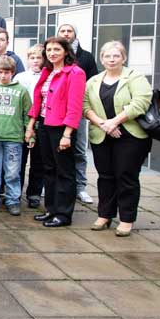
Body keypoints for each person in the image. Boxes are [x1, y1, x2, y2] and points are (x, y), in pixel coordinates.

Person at [84, 41, 152, 237]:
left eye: (116, 56)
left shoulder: (135, 77)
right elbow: (85, 105)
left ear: (124, 58)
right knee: (105, 177)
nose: (112, 59)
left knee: (126, 176)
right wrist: (103, 124)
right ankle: (105, 215)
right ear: (101, 58)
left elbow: (141, 102)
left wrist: (114, 122)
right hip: (102, 134)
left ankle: (126, 219)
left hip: (130, 136)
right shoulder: (94, 81)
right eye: (107, 56)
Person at [25, 37, 87, 228]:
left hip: (62, 128)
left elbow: (75, 106)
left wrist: (67, 134)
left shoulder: (75, 73)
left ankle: (64, 214)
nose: (52, 53)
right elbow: (39, 101)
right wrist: (31, 125)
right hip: (44, 124)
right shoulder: (47, 71)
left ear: (66, 51)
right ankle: (51, 209)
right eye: (49, 50)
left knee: (64, 172)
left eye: (56, 49)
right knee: (48, 169)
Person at [0, 56, 32, 217]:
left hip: (14, 138)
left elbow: (27, 114)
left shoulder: (21, 91)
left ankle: (12, 200)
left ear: (13, 72)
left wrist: (30, 134)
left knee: (12, 171)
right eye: (0, 72)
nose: (3, 76)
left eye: (7, 72)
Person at [57, 23, 99, 205]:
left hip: (78, 112)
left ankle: (80, 187)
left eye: (69, 31)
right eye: (63, 31)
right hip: (56, 112)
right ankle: (55, 185)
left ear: (75, 34)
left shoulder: (86, 57)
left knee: (80, 150)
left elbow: (92, 85)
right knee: (55, 151)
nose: (66, 34)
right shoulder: (52, 55)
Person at [16, 44, 45, 208]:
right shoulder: (20, 77)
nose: (35, 61)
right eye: (32, 58)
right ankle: (15, 192)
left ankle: (34, 192)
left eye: (38, 58)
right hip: (21, 123)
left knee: (38, 161)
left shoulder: (47, 76)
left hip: (40, 122)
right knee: (19, 161)